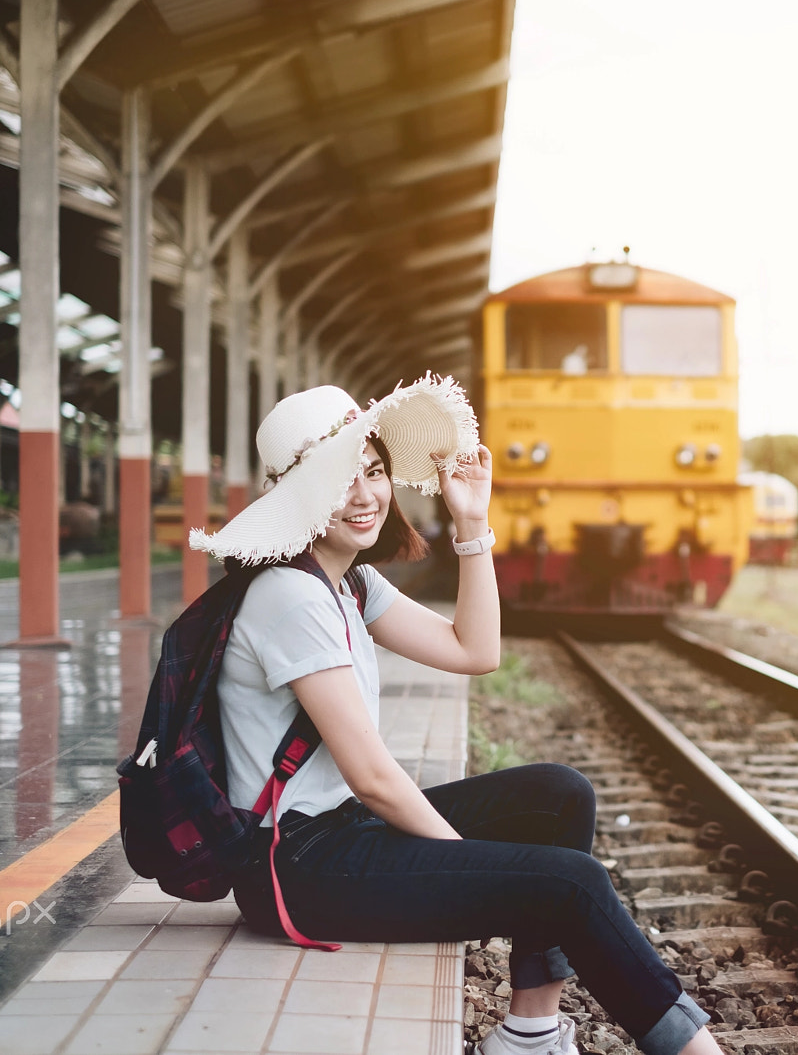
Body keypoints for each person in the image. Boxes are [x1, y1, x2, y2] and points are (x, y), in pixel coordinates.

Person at [188, 377, 722, 1055]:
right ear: (295, 494)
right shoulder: (291, 598)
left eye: (374, 472)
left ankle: (530, 1034)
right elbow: (375, 779)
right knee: (569, 884)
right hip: (295, 869)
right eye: (338, 479)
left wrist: (473, 526)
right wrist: (470, 867)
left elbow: (476, 650)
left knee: (559, 795)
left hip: (340, 832)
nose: (364, 495)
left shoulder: (347, 580)